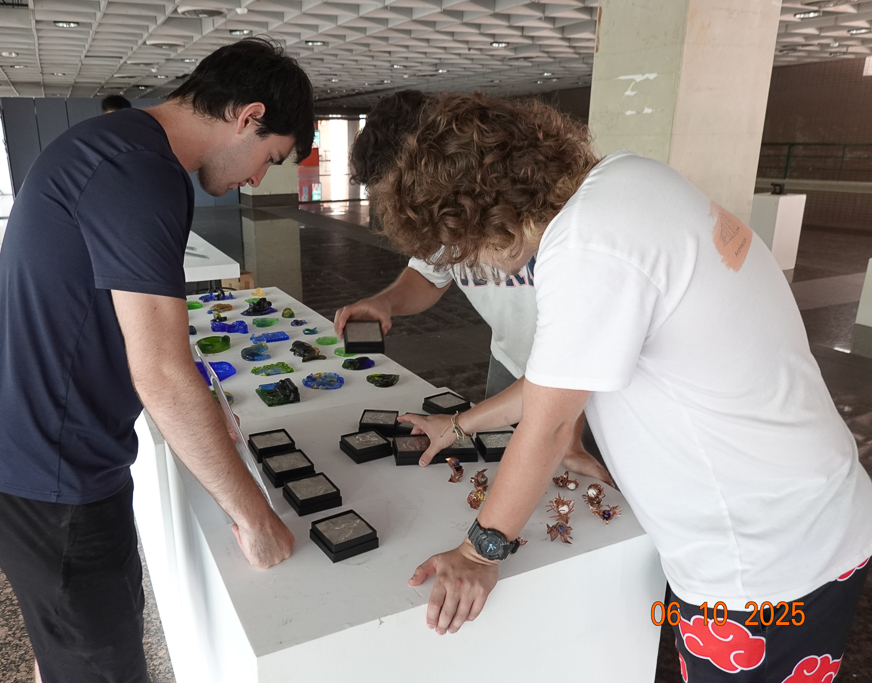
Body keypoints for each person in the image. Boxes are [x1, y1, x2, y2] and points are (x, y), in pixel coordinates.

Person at [370, 92, 872, 681]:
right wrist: (456, 425)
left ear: (489, 216)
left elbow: (551, 423)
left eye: (469, 251)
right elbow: (556, 381)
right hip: (808, 516)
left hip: (760, 560)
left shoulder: (586, 244)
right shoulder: (627, 181)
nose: (481, 269)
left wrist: (480, 551)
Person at [0, 38, 314, 683]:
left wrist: (203, 400)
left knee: (70, 654)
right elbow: (161, 371)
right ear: (249, 117)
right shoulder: (139, 171)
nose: (259, 179)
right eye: (270, 158)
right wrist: (254, 514)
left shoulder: (117, 146)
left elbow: (123, 327)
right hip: (55, 480)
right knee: (101, 669)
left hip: (40, 464)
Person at [334, 90, 611, 485]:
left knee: (581, 489)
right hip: (513, 365)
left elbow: (576, 358)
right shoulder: (441, 210)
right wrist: (386, 303)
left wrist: (564, 431)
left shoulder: (569, 229)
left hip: (587, 384)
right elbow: (428, 274)